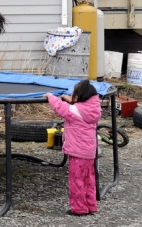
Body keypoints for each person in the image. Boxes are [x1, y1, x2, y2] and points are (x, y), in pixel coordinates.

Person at [43, 79, 101, 216]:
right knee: (89, 179)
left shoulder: (74, 110)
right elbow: (77, 108)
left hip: (77, 152)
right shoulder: (93, 109)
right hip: (89, 152)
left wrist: (50, 97)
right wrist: (71, 100)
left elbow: (60, 108)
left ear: (78, 97)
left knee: (76, 180)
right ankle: (91, 205)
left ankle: (79, 208)